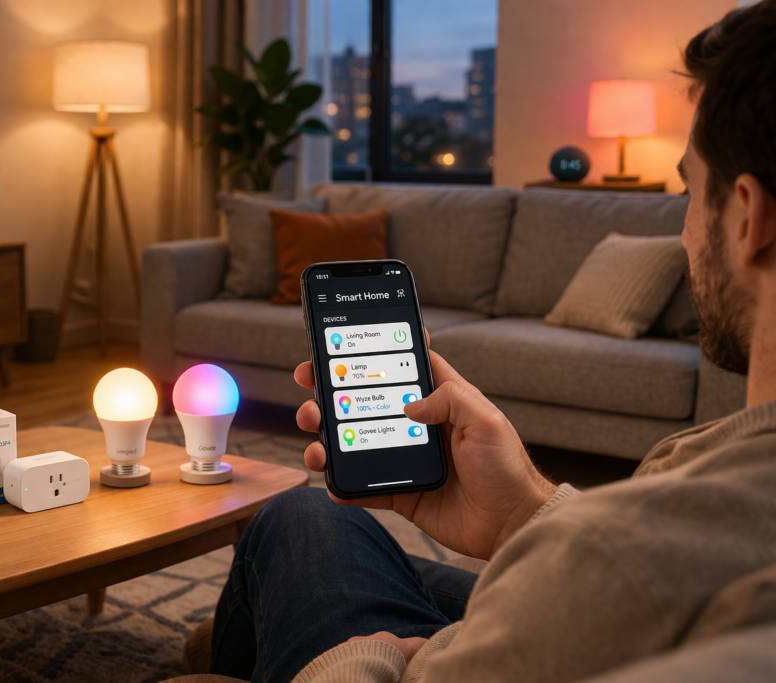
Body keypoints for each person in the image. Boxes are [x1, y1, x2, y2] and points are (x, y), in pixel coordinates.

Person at [209, 3, 776, 682]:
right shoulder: (670, 527)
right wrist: (524, 511)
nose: (684, 232)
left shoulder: (628, 548)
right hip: (568, 593)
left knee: (294, 523)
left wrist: (379, 651)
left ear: (748, 216)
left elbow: (612, 569)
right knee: (312, 517)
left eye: (691, 191)